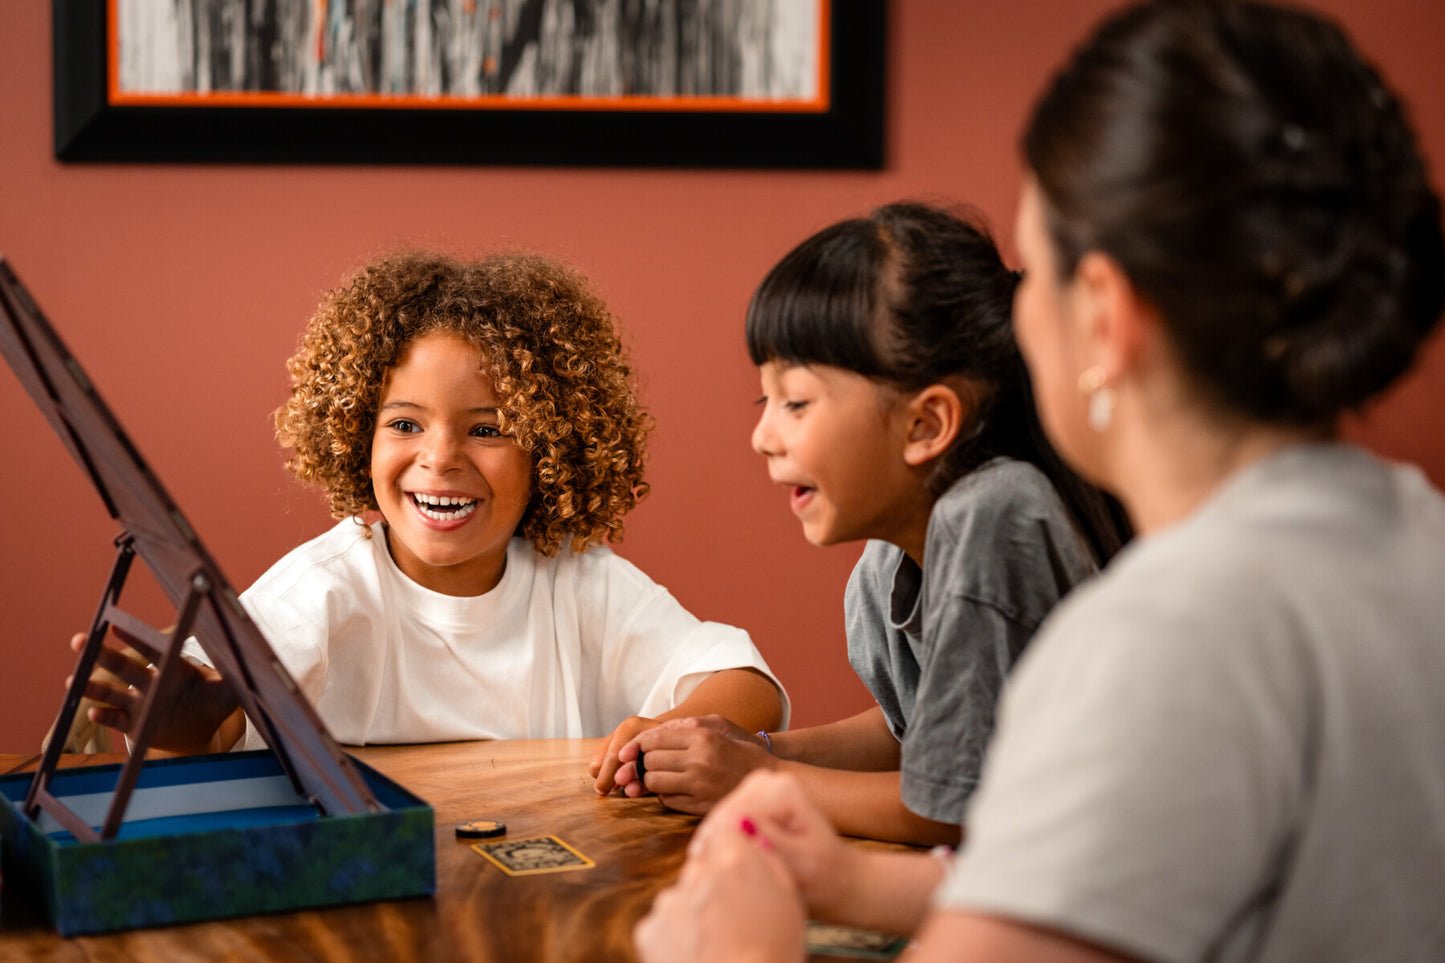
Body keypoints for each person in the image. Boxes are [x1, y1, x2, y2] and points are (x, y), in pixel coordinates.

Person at [634, 0, 1445, 960]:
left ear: (1102, 313)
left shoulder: (1164, 636)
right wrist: (847, 871)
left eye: (1038, 275)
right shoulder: (1414, 535)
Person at [72, 250, 787, 777]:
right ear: (356, 437)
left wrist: (658, 737)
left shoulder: (579, 581)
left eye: (486, 428)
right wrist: (187, 722)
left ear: (552, 444)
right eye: (405, 425)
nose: (439, 458)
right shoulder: (324, 588)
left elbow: (745, 685)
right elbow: (214, 717)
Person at [604, 202, 1127, 845]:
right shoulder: (887, 565)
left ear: (926, 423)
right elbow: (913, 735)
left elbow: (957, 808)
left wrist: (757, 783)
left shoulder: (996, 514)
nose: (762, 436)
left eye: (795, 402)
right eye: (763, 400)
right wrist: (749, 749)